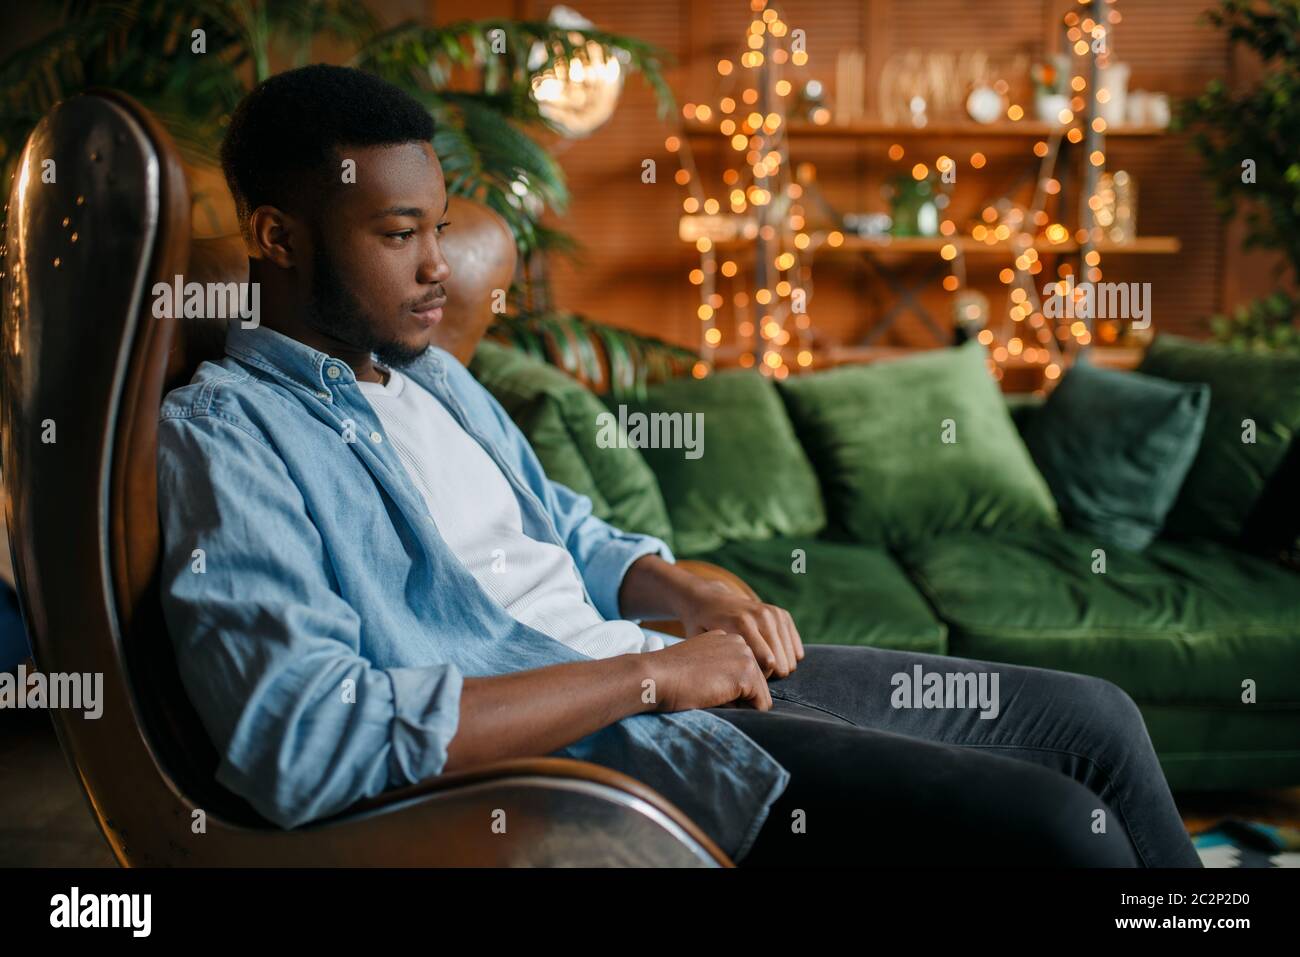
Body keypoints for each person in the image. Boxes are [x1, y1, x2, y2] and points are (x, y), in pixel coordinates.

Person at [155, 65, 1202, 868]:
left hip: (659, 670)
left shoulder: (424, 374)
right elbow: (301, 741)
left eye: (436, 227)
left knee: (1094, 722)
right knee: (1064, 829)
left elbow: (555, 527)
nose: (438, 269)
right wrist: (650, 675)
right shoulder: (227, 437)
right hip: (608, 750)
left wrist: (671, 583)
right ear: (275, 236)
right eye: (397, 235)